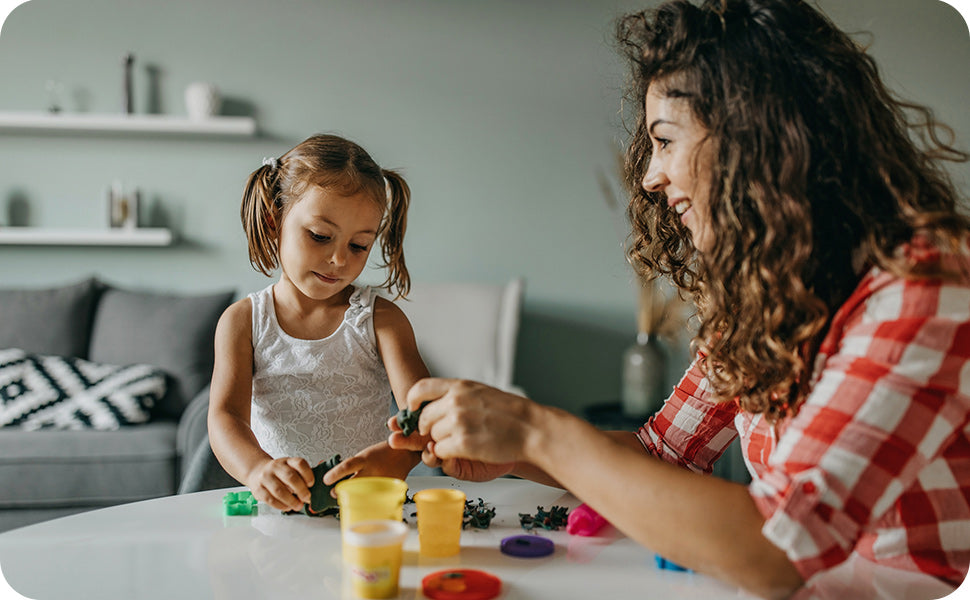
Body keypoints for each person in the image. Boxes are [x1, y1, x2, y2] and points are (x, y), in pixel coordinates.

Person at [382, 1, 970, 598]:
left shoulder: (927, 287)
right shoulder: (765, 294)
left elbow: (777, 549)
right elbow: (660, 454)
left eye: (665, 140)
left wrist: (537, 431)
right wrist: (511, 449)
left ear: (756, 134)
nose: (649, 177)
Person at [208, 133, 430, 513]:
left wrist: (400, 458)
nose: (340, 260)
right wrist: (258, 470)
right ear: (274, 220)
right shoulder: (243, 321)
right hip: (279, 514)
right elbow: (225, 418)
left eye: (359, 245)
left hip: (367, 512)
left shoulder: (381, 320)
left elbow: (422, 412)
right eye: (320, 236)